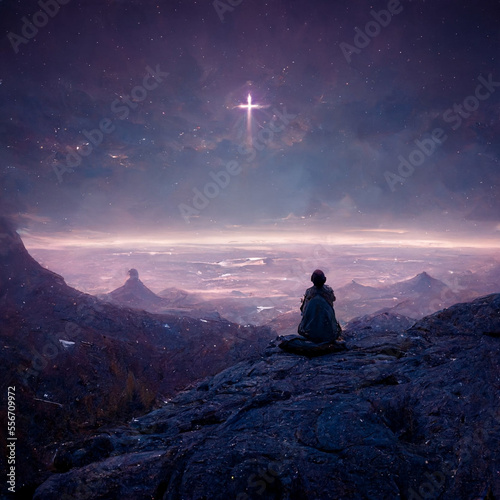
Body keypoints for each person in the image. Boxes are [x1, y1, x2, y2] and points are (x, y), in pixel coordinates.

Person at [298, 269, 341, 343]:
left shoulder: (309, 292)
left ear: (312, 279)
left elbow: (303, 310)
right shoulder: (329, 291)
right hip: (329, 333)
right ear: (324, 279)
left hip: (310, 332)